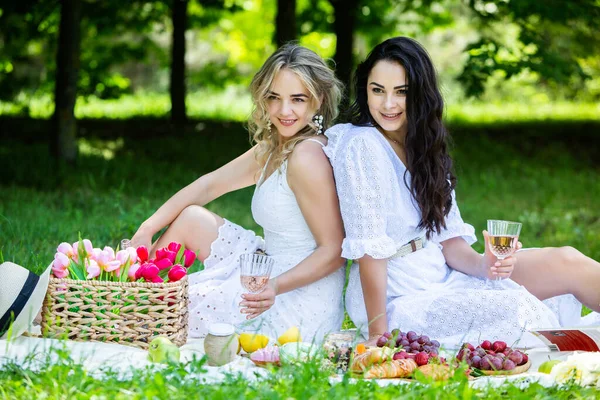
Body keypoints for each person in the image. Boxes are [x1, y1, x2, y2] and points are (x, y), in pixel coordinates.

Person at [323, 36, 600, 347]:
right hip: (400, 297)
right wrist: (379, 337)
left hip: (444, 275)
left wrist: (487, 264)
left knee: (567, 261)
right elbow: (369, 251)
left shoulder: (423, 145)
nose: (388, 104)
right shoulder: (362, 145)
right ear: (365, 90)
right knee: (519, 310)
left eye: (402, 92)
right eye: (378, 90)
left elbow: (451, 246)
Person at [131, 44, 346, 342]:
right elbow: (209, 185)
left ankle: (130, 307)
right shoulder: (277, 146)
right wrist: (148, 227)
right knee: (192, 218)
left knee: (184, 305)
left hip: (295, 294)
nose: (284, 111)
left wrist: (274, 286)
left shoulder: (306, 157)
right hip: (268, 259)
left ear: (318, 99)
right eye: (274, 98)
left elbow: (334, 251)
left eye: (298, 99)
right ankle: (130, 293)